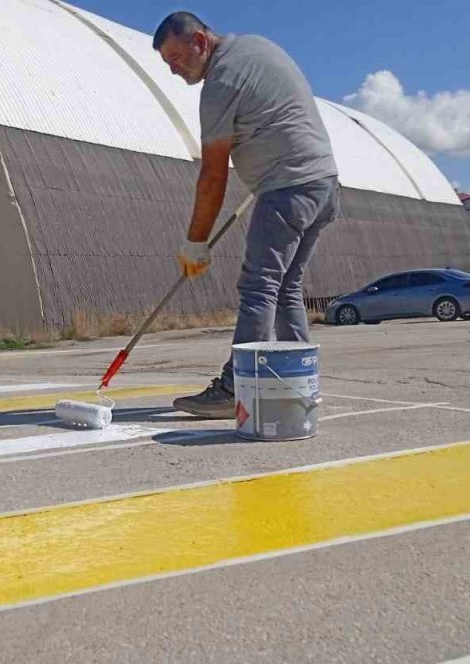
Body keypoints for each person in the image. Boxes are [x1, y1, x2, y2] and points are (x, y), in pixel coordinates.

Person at [154, 12, 340, 419]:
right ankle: (299, 382)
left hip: (287, 189)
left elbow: (213, 175)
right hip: (323, 186)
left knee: (259, 287)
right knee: (287, 287)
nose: (173, 69)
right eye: (166, 63)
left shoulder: (220, 83)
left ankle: (233, 387)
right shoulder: (256, 47)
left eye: (176, 57)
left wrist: (195, 242)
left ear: (200, 41)